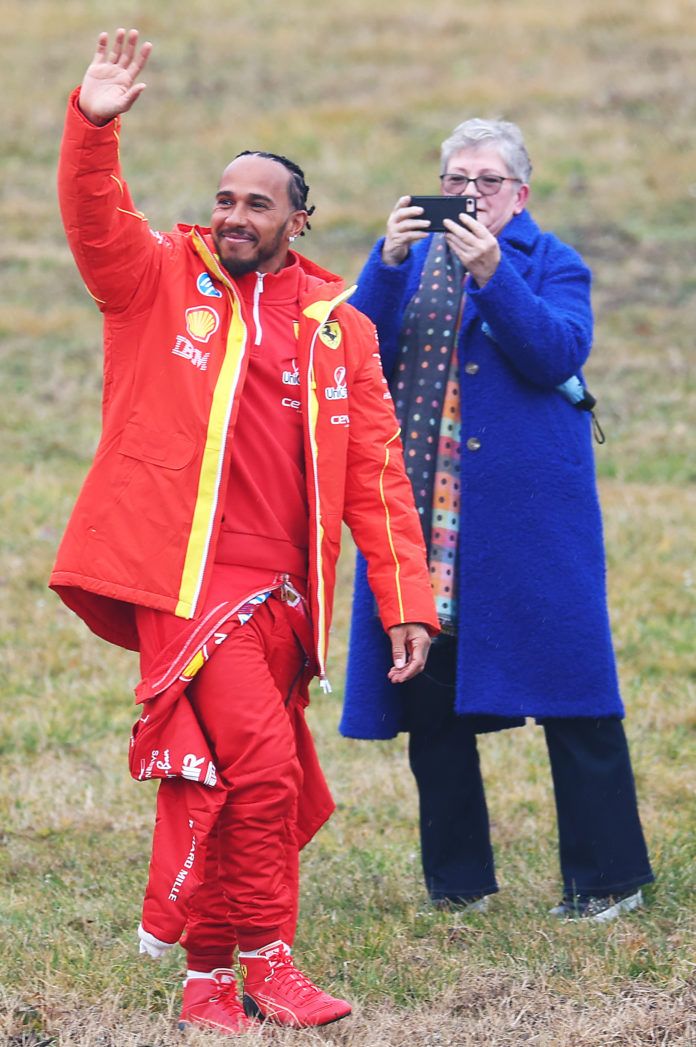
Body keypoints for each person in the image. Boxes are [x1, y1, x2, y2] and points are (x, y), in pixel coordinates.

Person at [51, 28, 439, 1035]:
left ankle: (206, 982)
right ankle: (271, 964)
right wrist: (94, 125)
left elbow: (377, 476)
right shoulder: (158, 282)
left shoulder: (341, 328)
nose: (233, 215)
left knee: (235, 783)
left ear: (297, 221)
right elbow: (95, 220)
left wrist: (406, 599)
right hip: (187, 584)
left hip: (288, 599)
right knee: (265, 770)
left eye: (257, 203)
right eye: (224, 198)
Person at [341, 117, 654, 922]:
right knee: (429, 700)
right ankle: (459, 886)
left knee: (575, 690)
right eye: (456, 179)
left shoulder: (554, 262)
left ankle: (609, 879)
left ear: (521, 193)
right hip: (423, 510)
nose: (470, 193)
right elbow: (355, 354)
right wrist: (386, 262)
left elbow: (556, 353)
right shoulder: (408, 262)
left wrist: (493, 273)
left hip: (528, 520)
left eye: (487, 181)